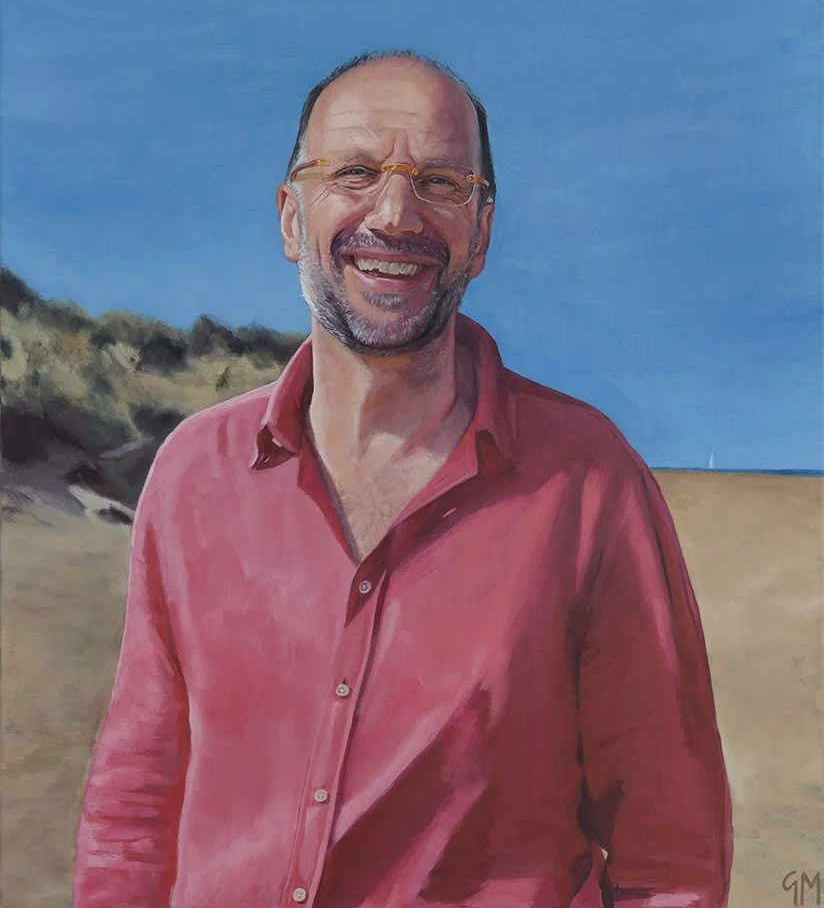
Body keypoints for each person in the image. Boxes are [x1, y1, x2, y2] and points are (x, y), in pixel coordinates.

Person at [73, 50, 733, 908]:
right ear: (288, 217)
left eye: (440, 182)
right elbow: (134, 813)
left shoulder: (590, 484)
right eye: (353, 172)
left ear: (483, 231)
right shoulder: (194, 476)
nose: (395, 212)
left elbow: (670, 856)